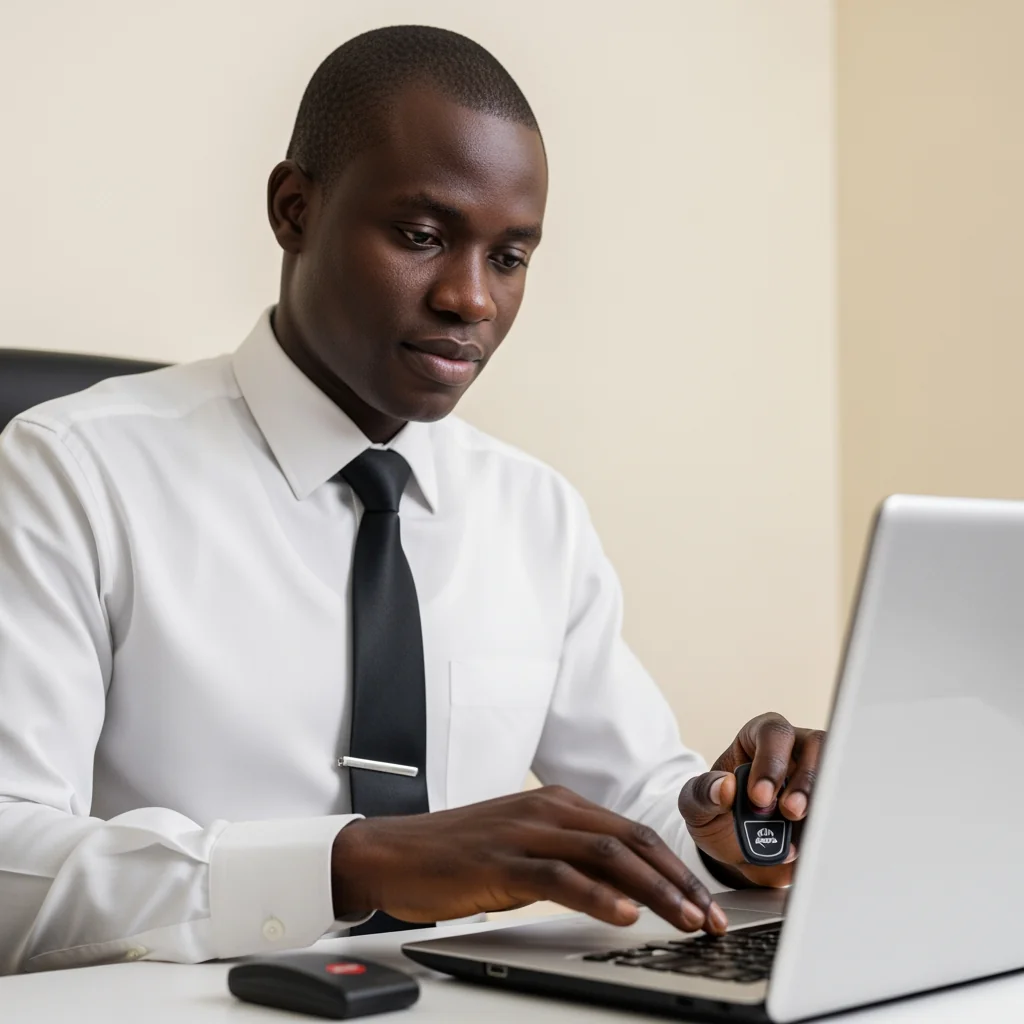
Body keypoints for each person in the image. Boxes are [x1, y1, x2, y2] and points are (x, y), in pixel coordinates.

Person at [0, 25, 824, 975]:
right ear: (294, 209)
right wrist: (351, 866)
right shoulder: (73, 471)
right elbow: (13, 870)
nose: (472, 300)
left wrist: (733, 823)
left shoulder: (534, 513)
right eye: (424, 237)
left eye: (510, 258)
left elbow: (639, 806)